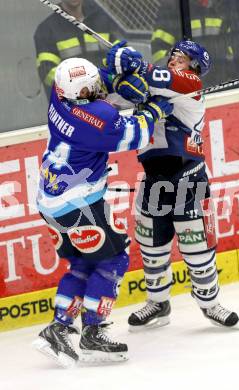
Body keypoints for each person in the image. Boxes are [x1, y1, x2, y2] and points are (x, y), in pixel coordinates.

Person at [32, 56, 173, 367]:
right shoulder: (94, 117)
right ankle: (93, 332)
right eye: (93, 86)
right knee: (114, 258)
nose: (98, 88)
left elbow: (96, 90)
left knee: (83, 263)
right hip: (78, 202)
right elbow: (134, 134)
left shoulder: (59, 95)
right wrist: (155, 109)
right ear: (83, 94)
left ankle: (58, 328)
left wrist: (117, 74)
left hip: (50, 199)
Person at [106, 39, 239, 331]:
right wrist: (114, 76)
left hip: (189, 181)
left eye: (181, 57)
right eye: (173, 55)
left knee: (198, 250)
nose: (173, 59)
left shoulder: (189, 86)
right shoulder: (152, 88)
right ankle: (158, 303)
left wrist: (138, 65)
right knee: (152, 249)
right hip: (153, 182)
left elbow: (157, 77)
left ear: (194, 67)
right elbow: (112, 99)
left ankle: (210, 303)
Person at [34, 0, 122, 99]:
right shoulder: (47, 29)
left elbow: (121, 55)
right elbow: (47, 72)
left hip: (110, 101)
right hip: (74, 105)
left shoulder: (103, 20)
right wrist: (82, 81)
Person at [151, 0, 236, 86]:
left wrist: (230, 76)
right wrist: (178, 74)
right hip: (184, 90)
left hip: (219, 87)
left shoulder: (220, 8)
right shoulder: (173, 10)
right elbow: (159, 53)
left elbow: (229, 48)